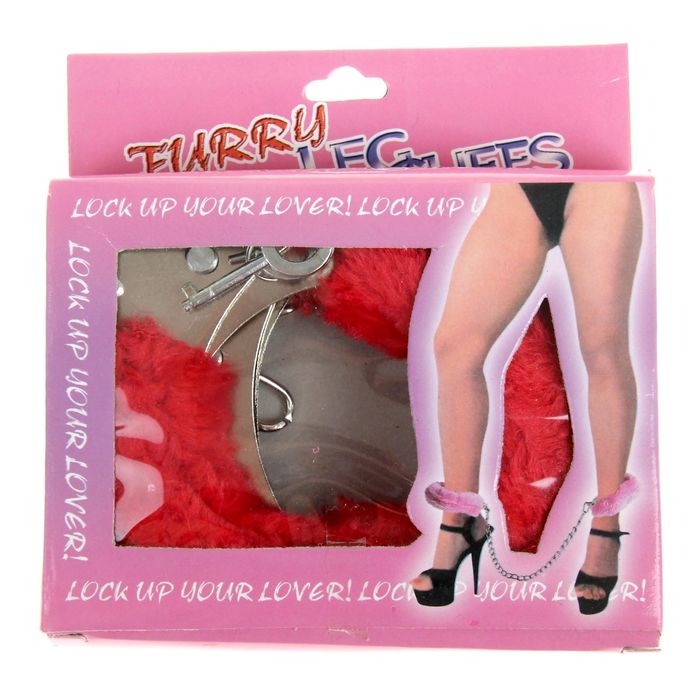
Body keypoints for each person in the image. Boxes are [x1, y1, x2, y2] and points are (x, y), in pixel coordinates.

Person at [410, 182, 642, 614]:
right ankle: (459, 522)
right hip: (518, 185)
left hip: (598, 183)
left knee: (603, 351)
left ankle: (606, 527)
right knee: (454, 349)